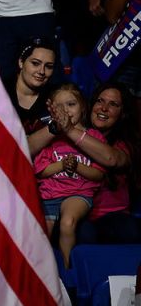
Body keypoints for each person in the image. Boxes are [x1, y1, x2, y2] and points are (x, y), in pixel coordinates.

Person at [27, 84, 139, 246]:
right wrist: (56, 126)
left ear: (123, 113)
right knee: (83, 232)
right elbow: (26, 148)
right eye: (100, 101)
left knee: (130, 230)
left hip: (111, 216)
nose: (104, 108)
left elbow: (112, 159)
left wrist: (69, 129)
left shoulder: (124, 144)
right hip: (72, 214)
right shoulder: (63, 135)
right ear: (90, 105)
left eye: (113, 104)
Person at [32, 85, 106, 268]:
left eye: (71, 104)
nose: (65, 111)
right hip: (49, 195)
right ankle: (42, 274)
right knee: (40, 233)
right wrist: (62, 165)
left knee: (67, 222)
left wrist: (77, 167)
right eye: (59, 107)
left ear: (82, 107)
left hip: (78, 194)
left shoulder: (93, 137)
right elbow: (40, 171)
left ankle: (68, 270)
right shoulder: (50, 138)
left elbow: (98, 175)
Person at [10, 38, 58, 134]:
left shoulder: (55, 98)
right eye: (35, 63)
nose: (42, 71)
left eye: (48, 66)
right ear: (21, 62)